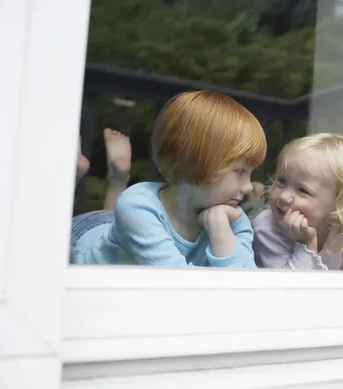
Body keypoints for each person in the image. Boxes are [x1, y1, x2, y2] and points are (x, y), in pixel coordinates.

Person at [71, 90, 267, 267]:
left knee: (116, 219)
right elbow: (179, 285)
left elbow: (244, 285)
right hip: (82, 239)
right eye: (239, 172)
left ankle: (117, 178)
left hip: (120, 230)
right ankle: (78, 173)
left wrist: (219, 226)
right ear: (191, 165)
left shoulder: (233, 218)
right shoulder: (137, 206)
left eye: (251, 173)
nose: (249, 187)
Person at [252, 133, 343, 270]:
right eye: (281, 181)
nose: (284, 196)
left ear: (337, 206)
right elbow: (288, 287)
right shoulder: (266, 227)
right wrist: (305, 244)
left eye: (303, 190)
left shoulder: (342, 231)